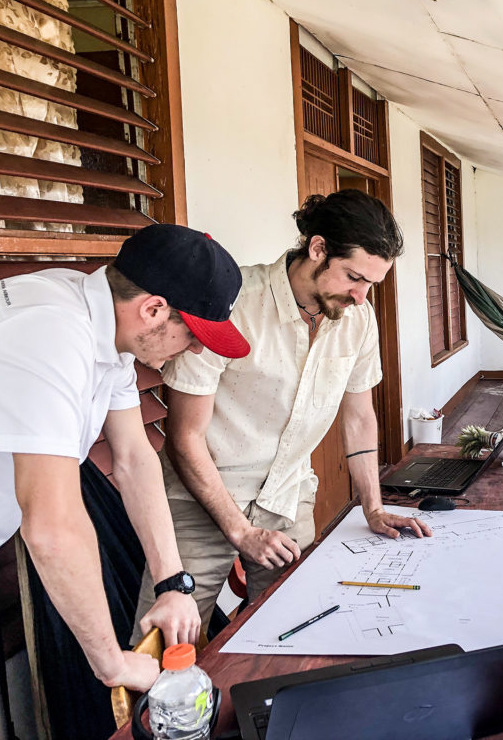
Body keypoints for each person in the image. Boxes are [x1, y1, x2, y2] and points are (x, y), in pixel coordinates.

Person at [132, 190, 432, 637]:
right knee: (169, 644)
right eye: (353, 277)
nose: (360, 295)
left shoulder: (358, 317)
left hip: (289, 497)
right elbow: (184, 438)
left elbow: (359, 417)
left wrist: (372, 506)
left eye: (371, 283)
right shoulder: (233, 302)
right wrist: (240, 532)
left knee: (297, 632)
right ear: (317, 249)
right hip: (201, 497)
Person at [0, 224, 251, 693]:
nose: (194, 348)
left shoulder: (100, 321)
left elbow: (133, 459)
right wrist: (114, 665)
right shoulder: (52, 337)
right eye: (193, 335)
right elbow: (51, 527)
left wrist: (171, 584)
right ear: (153, 310)